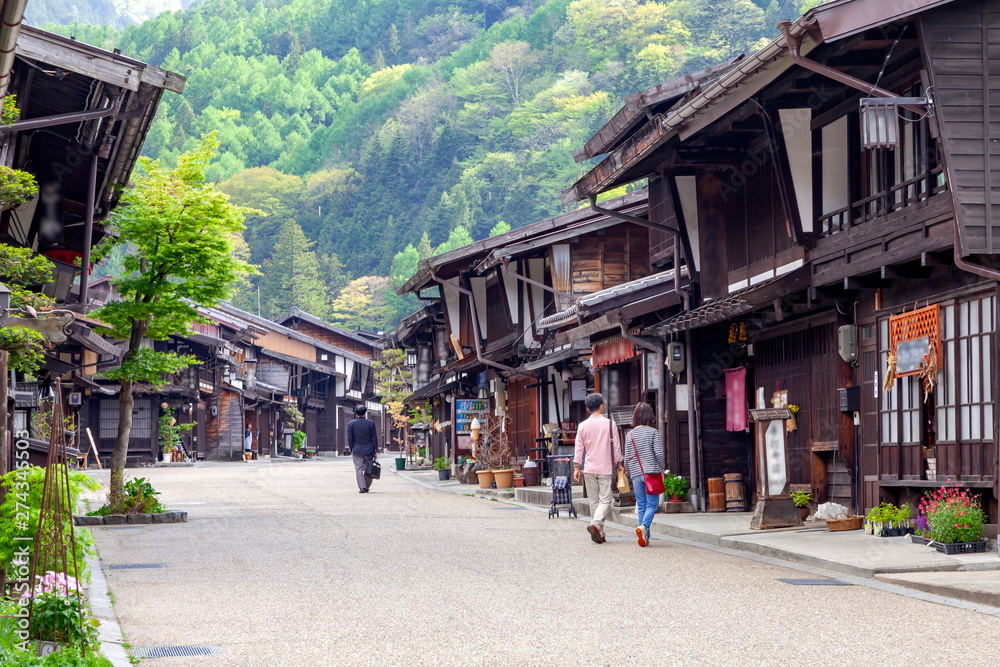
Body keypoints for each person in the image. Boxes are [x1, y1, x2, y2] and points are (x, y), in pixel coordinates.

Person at [573, 393, 623, 543]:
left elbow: (579, 448)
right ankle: (596, 524)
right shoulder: (609, 424)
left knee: (594, 501)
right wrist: (619, 462)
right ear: (601, 406)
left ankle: (599, 531)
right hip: (605, 467)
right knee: (606, 500)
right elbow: (616, 446)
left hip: (589, 467)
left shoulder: (582, 425)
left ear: (588, 409)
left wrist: (577, 466)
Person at [626, 403, 664, 547]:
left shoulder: (630, 435)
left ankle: (645, 537)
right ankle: (644, 527)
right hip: (651, 472)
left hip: (636, 473)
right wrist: (662, 468)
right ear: (649, 415)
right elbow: (659, 453)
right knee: (652, 505)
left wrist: (631, 472)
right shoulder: (653, 432)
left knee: (641, 505)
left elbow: (627, 457)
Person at [347, 405, 379, 493]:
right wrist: (376, 449)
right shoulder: (371, 423)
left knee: (359, 469)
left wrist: (351, 448)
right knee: (368, 468)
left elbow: (350, 439)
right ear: (365, 413)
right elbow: (374, 437)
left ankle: (362, 487)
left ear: (356, 413)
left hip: (357, 449)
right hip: (369, 449)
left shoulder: (351, 424)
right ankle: (366, 486)